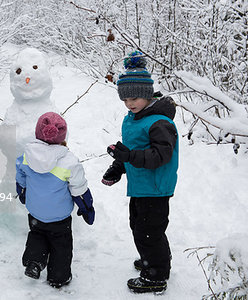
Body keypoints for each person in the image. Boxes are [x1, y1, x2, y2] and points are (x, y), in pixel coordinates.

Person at [102, 51, 178, 293]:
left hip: (154, 188)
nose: (129, 104)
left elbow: (160, 156)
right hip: (141, 185)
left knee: (149, 231)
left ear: (146, 94)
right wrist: (118, 167)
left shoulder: (159, 122)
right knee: (141, 227)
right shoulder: (135, 118)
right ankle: (155, 260)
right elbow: (133, 149)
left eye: (134, 98)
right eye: (125, 100)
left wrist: (129, 157)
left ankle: (156, 275)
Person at [15, 112, 95, 288]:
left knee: (37, 235)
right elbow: (79, 188)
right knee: (61, 244)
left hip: (35, 211)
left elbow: (20, 174)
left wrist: (21, 190)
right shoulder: (69, 161)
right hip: (59, 216)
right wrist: (86, 207)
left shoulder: (27, 155)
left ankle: (34, 262)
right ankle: (59, 277)